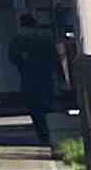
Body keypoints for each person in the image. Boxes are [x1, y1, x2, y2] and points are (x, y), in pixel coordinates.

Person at [7, 16, 64, 150]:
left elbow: (12, 57)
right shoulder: (45, 41)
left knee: (35, 110)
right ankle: (51, 136)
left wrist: (22, 59)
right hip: (46, 80)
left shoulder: (18, 41)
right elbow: (56, 61)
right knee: (48, 108)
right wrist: (61, 79)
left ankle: (44, 137)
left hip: (29, 80)